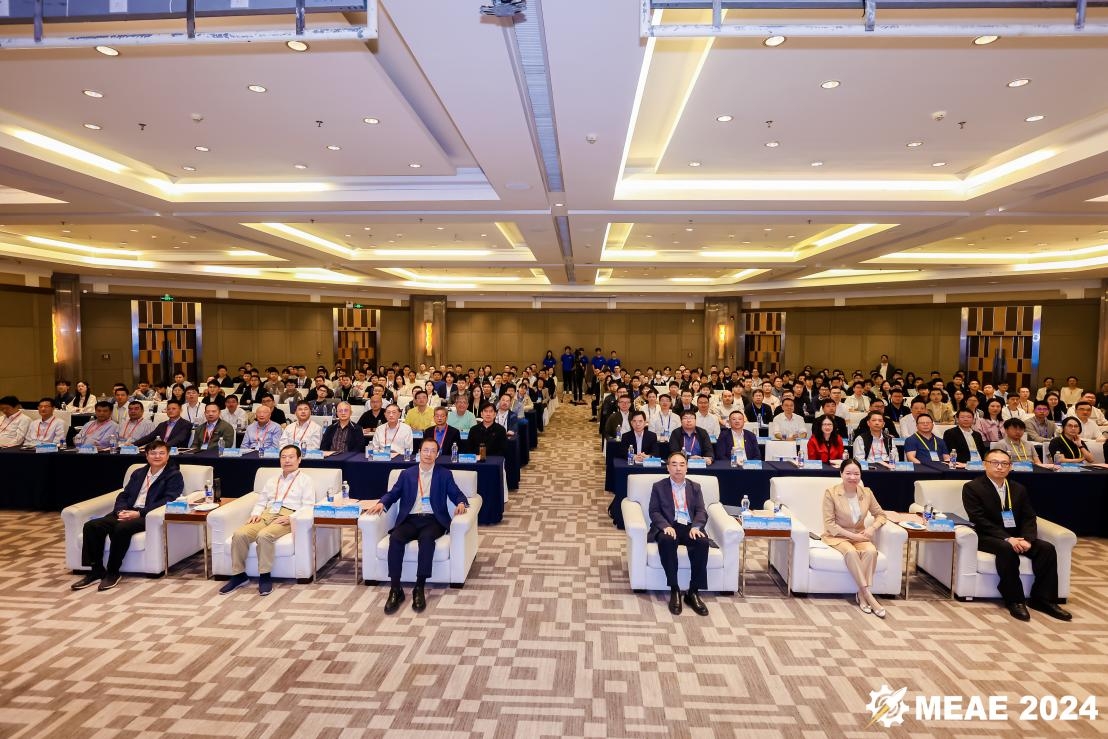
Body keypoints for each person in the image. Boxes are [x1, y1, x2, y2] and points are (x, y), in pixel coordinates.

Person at [962, 450, 1071, 621]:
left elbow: (1029, 517)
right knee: (1006, 548)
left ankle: (1043, 599)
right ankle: (1015, 600)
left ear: (1010, 467)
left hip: (1018, 536)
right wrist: (1008, 538)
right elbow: (978, 519)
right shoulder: (972, 487)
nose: (1000, 467)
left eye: (1004, 463)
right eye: (995, 463)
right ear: (985, 464)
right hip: (987, 536)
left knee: (1046, 549)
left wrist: (1027, 539)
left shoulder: (1018, 488)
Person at [363, 437, 469, 614]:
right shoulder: (407, 474)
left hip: (433, 520)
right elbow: (393, 493)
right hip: (410, 519)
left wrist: (461, 503)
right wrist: (382, 503)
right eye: (425, 450)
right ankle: (395, 588)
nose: (428, 454)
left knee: (426, 540)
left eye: (432, 451)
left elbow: (456, 493)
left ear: (437, 454)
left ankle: (419, 587)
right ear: (419, 452)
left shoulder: (444, 474)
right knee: (395, 538)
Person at [71, 440, 182, 592]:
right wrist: (120, 511)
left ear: (168, 456)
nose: (157, 456)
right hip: (127, 510)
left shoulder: (173, 475)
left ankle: (113, 572)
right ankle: (96, 571)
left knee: (121, 528)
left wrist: (139, 513)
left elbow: (169, 499)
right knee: (92, 526)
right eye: (153, 453)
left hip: (147, 515)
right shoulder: (138, 473)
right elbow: (124, 494)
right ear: (147, 455)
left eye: (161, 453)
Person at [219, 445, 317, 596]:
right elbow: (261, 501)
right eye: (283, 457)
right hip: (267, 513)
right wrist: (256, 513)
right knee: (239, 534)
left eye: (291, 457)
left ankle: (264, 576)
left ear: (299, 460)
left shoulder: (306, 480)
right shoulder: (272, 480)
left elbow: (309, 505)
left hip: (287, 516)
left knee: (264, 535)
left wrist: (292, 517)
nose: (287, 460)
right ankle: (239, 575)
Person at [821, 459, 888, 618]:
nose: (852, 477)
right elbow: (829, 524)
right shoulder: (831, 493)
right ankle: (868, 595)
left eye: (856, 474)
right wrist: (852, 536)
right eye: (848, 473)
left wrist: (872, 528)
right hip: (838, 536)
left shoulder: (867, 493)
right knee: (851, 553)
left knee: (871, 551)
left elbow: (881, 515)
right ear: (841, 474)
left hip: (861, 535)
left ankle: (861, 595)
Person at [648, 452, 710, 616]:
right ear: (668, 468)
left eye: (682, 465)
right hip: (669, 526)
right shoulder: (659, 486)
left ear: (687, 468)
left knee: (702, 542)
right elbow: (654, 511)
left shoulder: (695, 487)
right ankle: (674, 589)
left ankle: (693, 592)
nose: (678, 468)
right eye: (674, 465)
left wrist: (696, 527)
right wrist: (665, 526)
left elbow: (701, 511)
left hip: (689, 526)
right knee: (667, 540)